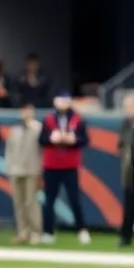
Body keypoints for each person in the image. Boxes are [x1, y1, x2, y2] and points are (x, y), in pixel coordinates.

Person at [39, 91, 91, 245]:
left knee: (74, 199)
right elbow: (41, 140)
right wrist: (52, 139)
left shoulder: (77, 119)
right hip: (51, 165)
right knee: (49, 200)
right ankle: (48, 231)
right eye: (60, 101)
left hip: (70, 165)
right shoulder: (48, 119)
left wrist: (72, 140)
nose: (62, 104)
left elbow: (85, 140)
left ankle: (82, 230)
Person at [4, 102, 42, 244]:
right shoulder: (15, 130)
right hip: (16, 170)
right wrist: (9, 167)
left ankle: (35, 231)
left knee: (31, 202)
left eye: (28, 111)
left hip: (32, 170)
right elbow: (9, 150)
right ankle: (23, 231)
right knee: (19, 203)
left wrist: (40, 170)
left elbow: (41, 151)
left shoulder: (38, 129)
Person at [117, 94, 134, 247]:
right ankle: (126, 236)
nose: (128, 110)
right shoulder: (125, 124)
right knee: (129, 205)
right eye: (126, 107)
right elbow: (120, 144)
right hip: (129, 169)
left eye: (131, 106)